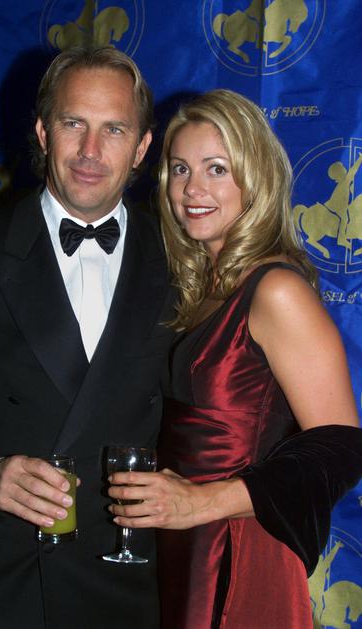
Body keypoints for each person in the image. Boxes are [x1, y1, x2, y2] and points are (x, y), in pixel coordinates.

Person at [0, 47, 175, 629]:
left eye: (114, 129)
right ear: (44, 133)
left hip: (130, 585)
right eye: (74, 123)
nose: (91, 151)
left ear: (142, 148)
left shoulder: (182, 261)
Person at [107, 89, 362, 628]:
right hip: (178, 540)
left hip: (239, 544)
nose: (192, 189)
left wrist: (205, 503)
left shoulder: (276, 290)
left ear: (255, 180)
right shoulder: (197, 287)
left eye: (216, 169)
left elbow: (342, 447)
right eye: (180, 169)